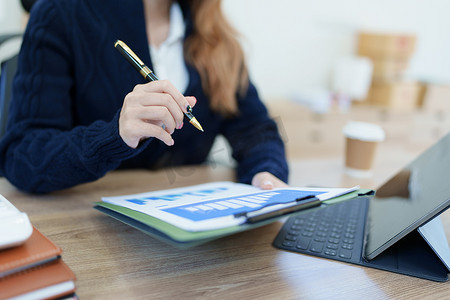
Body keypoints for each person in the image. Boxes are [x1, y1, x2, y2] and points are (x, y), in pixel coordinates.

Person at [0, 0, 288, 193]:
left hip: (191, 243)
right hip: (89, 235)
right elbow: (22, 155)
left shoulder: (214, 35)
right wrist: (114, 136)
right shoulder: (60, 12)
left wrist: (265, 173)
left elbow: (256, 131)